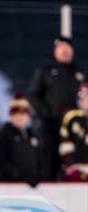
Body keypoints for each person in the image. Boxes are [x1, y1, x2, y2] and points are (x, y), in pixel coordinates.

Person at [28, 36, 85, 180]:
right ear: (55, 50)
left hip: (74, 130)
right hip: (51, 128)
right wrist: (47, 115)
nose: (64, 50)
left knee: (74, 166)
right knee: (49, 164)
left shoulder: (80, 72)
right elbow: (33, 96)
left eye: (67, 47)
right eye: (61, 47)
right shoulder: (45, 70)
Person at [0, 94, 40, 187]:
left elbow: (40, 158)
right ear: (11, 116)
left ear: (28, 116)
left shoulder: (32, 134)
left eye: (23, 114)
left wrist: (38, 176)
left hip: (32, 185)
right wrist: (18, 176)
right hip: (11, 185)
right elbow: (1, 159)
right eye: (16, 114)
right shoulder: (5, 133)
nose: (20, 118)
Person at [59, 82, 88, 181]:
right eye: (83, 98)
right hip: (77, 168)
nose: (86, 101)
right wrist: (70, 166)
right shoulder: (72, 117)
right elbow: (65, 144)